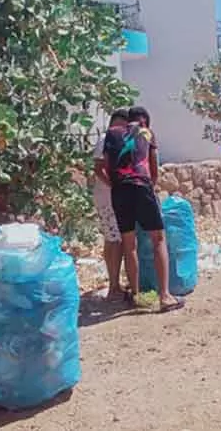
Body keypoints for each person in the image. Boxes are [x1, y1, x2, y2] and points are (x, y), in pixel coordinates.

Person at [104, 106, 184, 313]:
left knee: (129, 243)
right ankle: (165, 297)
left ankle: (136, 295)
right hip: (141, 186)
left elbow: (107, 165)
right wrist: (150, 187)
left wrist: (118, 186)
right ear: (144, 121)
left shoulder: (111, 133)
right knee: (158, 239)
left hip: (119, 191)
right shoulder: (146, 132)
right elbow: (153, 167)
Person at [92, 109, 129, 301]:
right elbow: (99, 169)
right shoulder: (105, 140)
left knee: (113, 238)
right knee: (115, 240)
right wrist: (116, 186)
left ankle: (115, 283)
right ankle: (114, 287)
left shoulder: (122, 141)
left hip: (113, 196)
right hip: (108, 197)